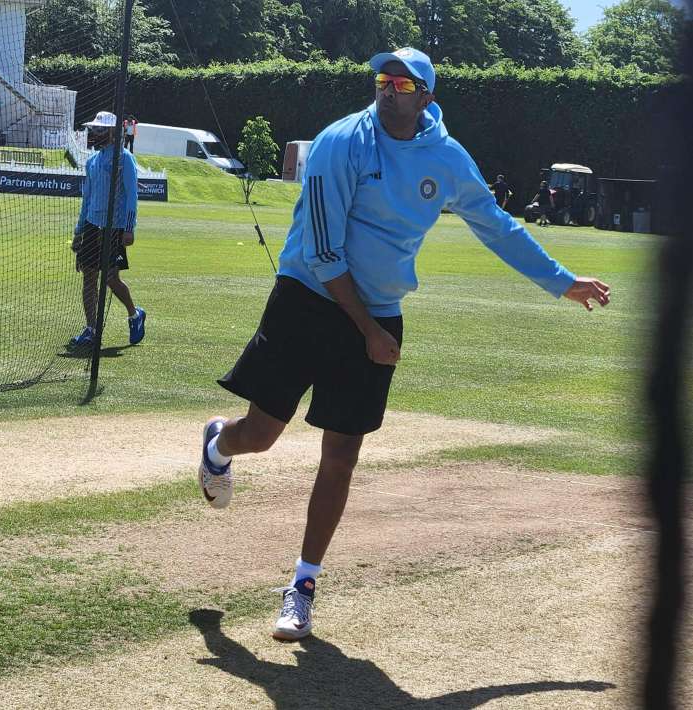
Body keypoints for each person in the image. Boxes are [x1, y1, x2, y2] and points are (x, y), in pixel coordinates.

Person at [196, 47, 611, 641]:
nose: (389, 88)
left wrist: (561, 282)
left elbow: (497, 225)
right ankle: (220, 443)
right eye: (383, 79)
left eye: (404, 82)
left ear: (427, 98)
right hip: (309, 296)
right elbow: (322, 253)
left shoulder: (446, 158)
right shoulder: (339, 143)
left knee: (341, 455)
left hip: (380, 309)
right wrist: (368, 330)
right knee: (260, 435)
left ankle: (302, 586)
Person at [68, 110, 146, 350]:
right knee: (89, 277)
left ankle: (135, 315)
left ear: (112, 133)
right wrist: (79, 231)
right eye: (94, 129)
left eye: (100, 130)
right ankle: (91, 329)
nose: (95, 134)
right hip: (92, 225)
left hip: (114, 228)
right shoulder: (92, 161)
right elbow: (87, 199)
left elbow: (132, 195)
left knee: (111, 278)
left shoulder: (124, 159)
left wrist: (129, 228)